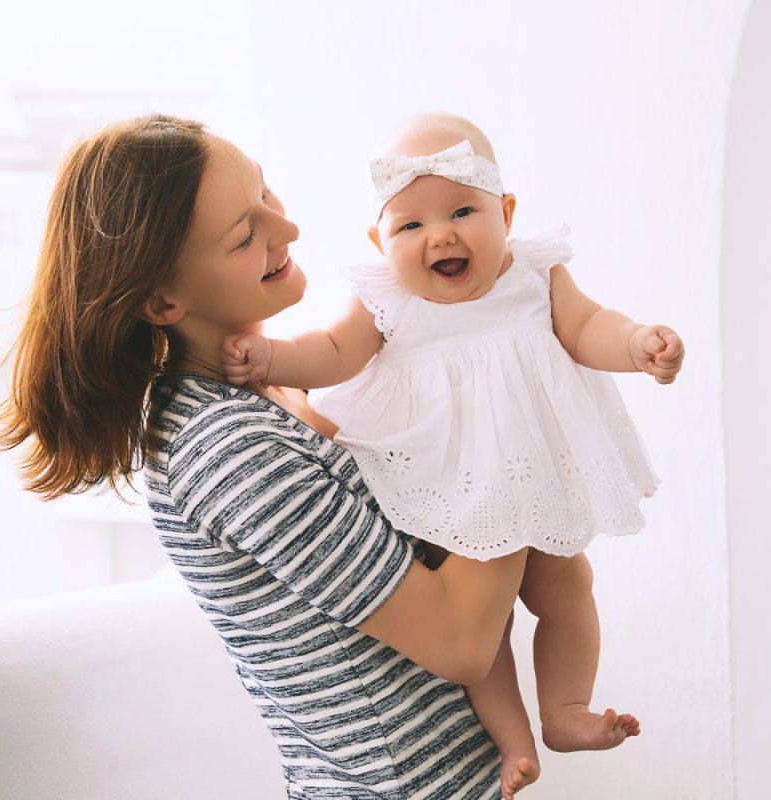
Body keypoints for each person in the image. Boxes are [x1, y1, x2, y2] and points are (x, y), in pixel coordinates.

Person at [0, 113, 532, 799]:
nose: (288, 230)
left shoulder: (266, 389)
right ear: (162, 299)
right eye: (247, 234)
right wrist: (527, 428)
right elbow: (459, 641)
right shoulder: (226, 448)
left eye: (266, 195)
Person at [220, 112, 684, 797]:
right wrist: (273, 358)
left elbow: (588, 327)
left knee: (566, 588)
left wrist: (637, 343)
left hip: (532, 471)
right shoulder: (384, 297)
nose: (438, 235)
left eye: (463, 210)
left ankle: (563, 711)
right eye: (409, 226)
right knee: (483, 625)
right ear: (381, 241)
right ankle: (513, 740)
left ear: (507, 212)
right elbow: (334, 352)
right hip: (448, 488)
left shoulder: (534, 273)